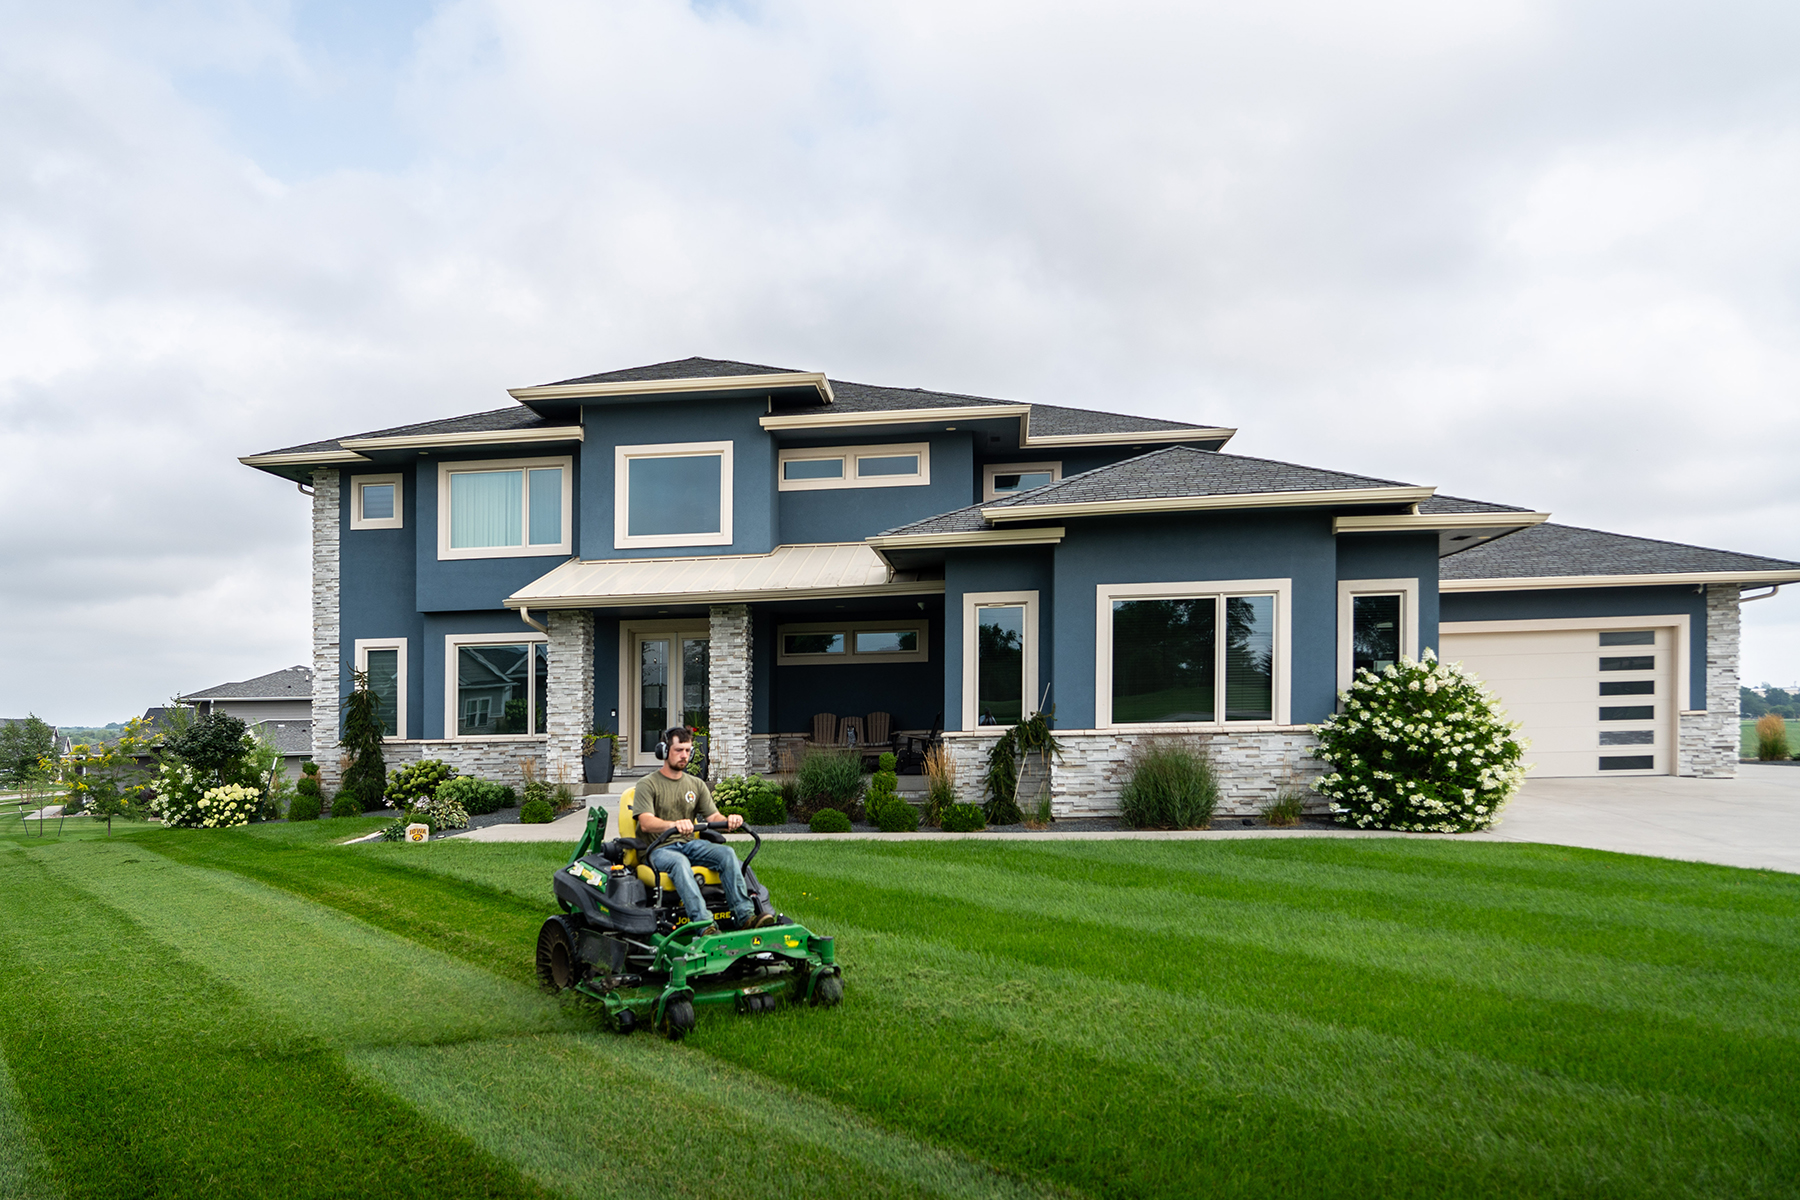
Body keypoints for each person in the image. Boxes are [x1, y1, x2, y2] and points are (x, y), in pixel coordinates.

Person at [631, 727, 775, 934]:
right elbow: (645, 822)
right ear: (664, 751)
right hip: (657, 849)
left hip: (689, 845)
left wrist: (729, 820)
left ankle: (745, 917)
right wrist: (674, 824)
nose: (684, 756)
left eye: (687, 751)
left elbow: (714, 817)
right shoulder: (647, 784)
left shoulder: (696, 784)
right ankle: (704, 925)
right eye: (679, 750)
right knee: (679, 862)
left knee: (727, 853)